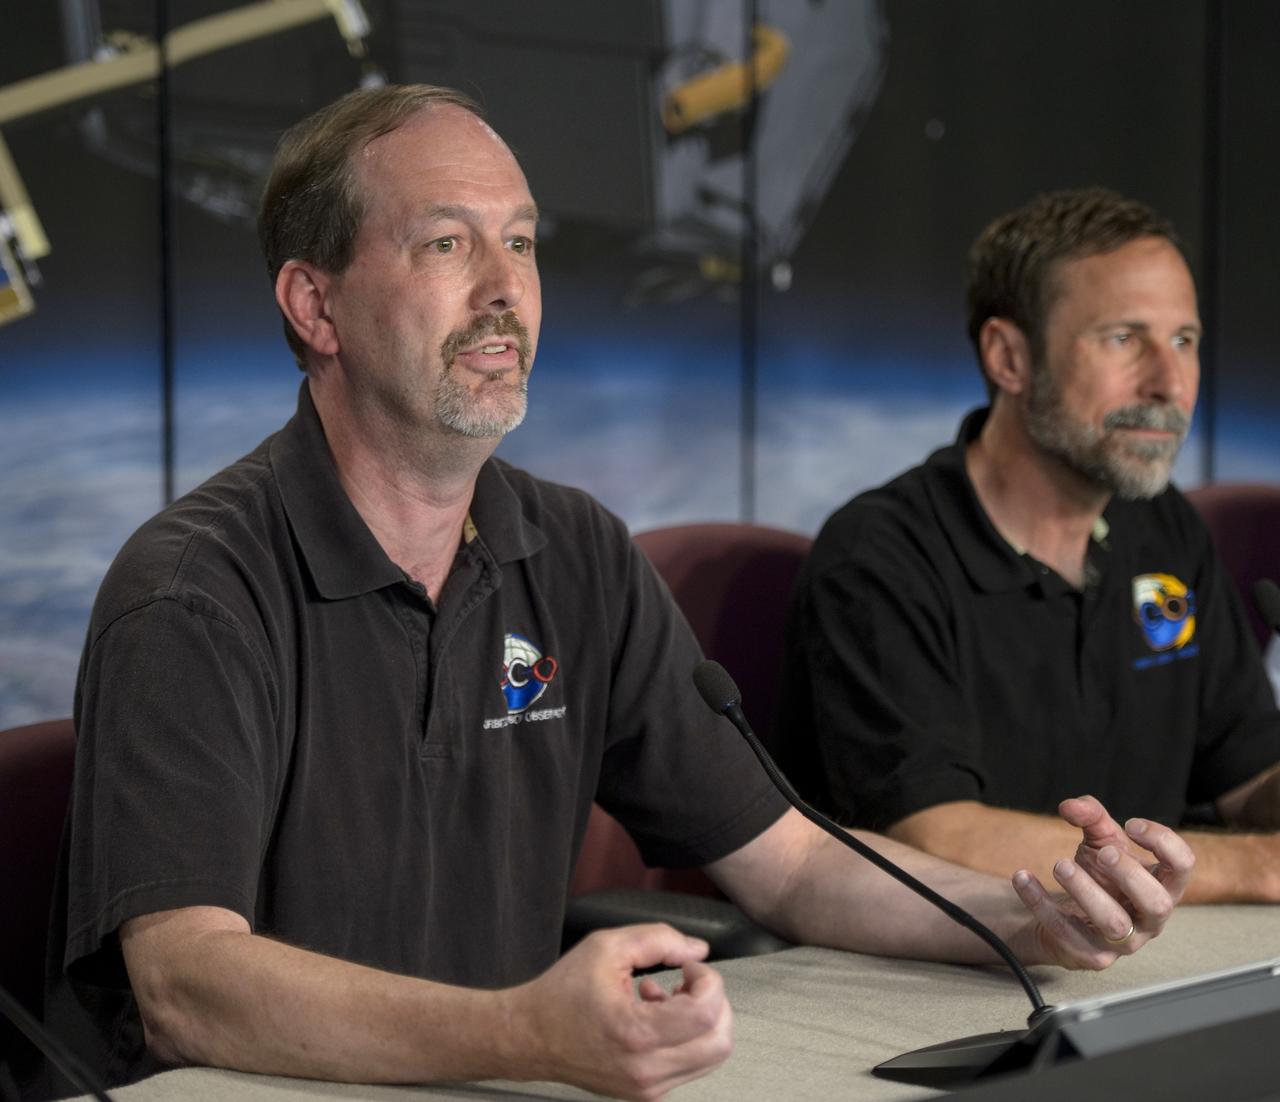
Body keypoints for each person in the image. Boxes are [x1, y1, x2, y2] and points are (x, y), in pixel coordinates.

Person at [47, 95, 1192, 1101]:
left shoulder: (575, 550)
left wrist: (1033, 913)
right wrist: (521, 1029)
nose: (506, 291)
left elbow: (788, 862)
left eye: (524, 244)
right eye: (447, 243)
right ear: (315, 304)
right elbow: (187, 985)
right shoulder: (195, 590)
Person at [776, 187, 1280, 910]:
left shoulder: (1165, 530)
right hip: (948, 988)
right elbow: (934, 839)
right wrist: (1258, 869)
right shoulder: (880, 558)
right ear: (1009, 358)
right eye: (1123, 339)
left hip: (1148, 967)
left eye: (1184, 340)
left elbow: (1248, 777)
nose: (1169, 383)